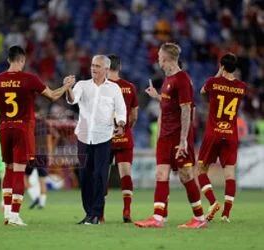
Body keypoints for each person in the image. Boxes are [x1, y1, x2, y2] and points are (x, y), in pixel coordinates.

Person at [0, 45, 75, 226]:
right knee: (18, 172)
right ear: (22, 60)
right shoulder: (29, 79)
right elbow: (53, 96)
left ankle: (8, 214)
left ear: (8, 59)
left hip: (4, 130)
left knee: (8, 170)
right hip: (22, 130)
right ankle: (15, 215)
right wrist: (66, 86)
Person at [134, 42, 207, 229]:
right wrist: (157, 96)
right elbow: (170, 102)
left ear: (165, 58)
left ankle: (199, 218)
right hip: (165, 136)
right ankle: (157, 218)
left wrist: (183, 140)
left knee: (185, 175)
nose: (157, 59)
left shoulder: (182, 80)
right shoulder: (168, 79)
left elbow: (186, 110)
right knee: (160, 174)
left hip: (178, 137)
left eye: (159, 56)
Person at [66, 55, 127, 224]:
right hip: (84, 137)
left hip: (104, 138)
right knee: (85, 176)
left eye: (98, 66)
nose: (93, 68)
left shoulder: (114, 89)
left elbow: (121, 111)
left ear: (106, 69)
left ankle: (96, 214)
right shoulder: (82, 85)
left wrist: (121, 124)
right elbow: (72, 100)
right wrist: (68, 88)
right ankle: (88, 213)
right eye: (92, 65)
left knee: (100, 176)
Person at [197, 53, 246, 223]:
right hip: (231, 134)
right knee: (230, 174)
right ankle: (226, 214)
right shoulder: (241, 87)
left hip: (213, 132)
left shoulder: (213, 82)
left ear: (222, 66)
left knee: (201, 169)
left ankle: (212, 202)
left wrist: (218, 74)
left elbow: (202, 91)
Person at [106, 54, 138, 223]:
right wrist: (126, 129)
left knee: (103, 174)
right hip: (124, 136)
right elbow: (134, 114)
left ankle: (100, 213)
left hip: (105, 138)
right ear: (120, 67)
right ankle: (126, 210)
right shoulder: (130, 87)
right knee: (125, 173)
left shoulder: (101, 87)